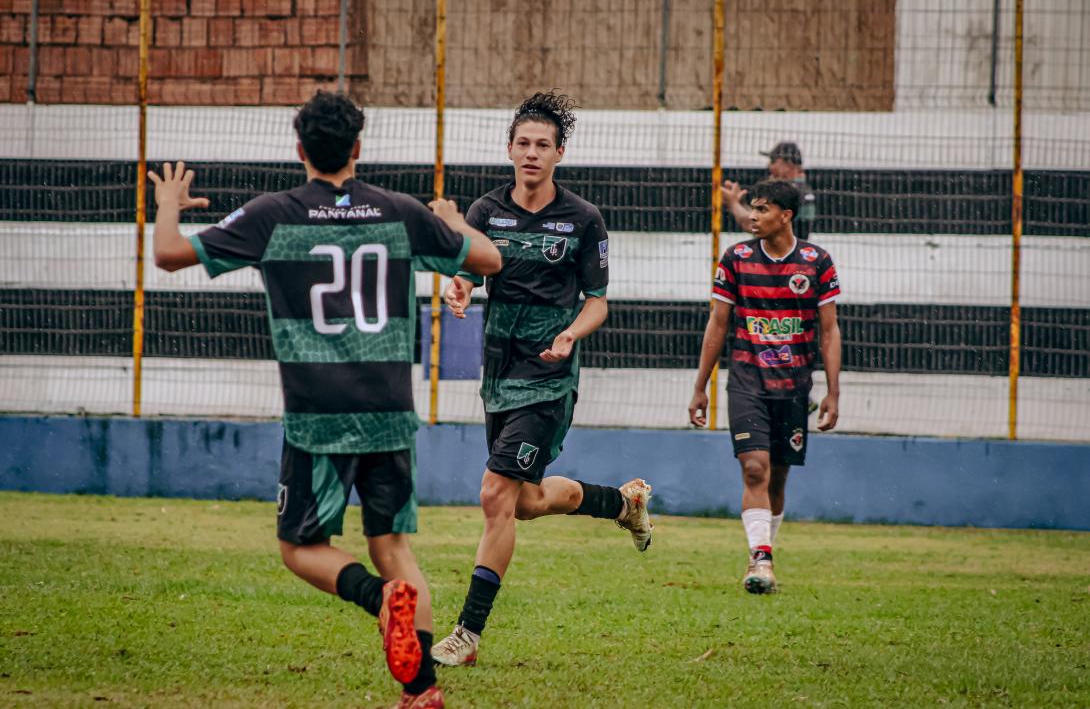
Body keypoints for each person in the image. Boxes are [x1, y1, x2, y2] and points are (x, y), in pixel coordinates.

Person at [149, 91, 501, 709]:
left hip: (318, 415)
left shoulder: (273, 214)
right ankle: (421, 692)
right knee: (392, 545)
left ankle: (376, 599)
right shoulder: (399, 211)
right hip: (389, 410)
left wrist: (168, 207)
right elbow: (489, 259)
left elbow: (168, 255)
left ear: (300, 150)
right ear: (357, 149)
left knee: (299, 546)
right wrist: (451, 219)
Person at [430, 92, 654, 667]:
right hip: (499, 373)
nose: (531, 153)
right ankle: (620, 503)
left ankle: (467, 633)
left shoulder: (583, 219)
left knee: (495, 494)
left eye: (542, 145)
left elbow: (598, 301)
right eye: (523, 143)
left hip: (549, 377)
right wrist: (457, 289)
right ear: (510, 149)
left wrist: (571, 334)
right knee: (525, 502)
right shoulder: (484, 212)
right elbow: (466, 276)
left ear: (559, 153)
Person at [687, 179, 841, 595]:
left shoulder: (816, 262)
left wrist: (832, 391)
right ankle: (762, 559)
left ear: (785, 216)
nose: (752, 217)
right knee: (755, 467)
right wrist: (701, 386)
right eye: (750, 209)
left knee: (778, 478)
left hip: (793, 387)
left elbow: (829, 331)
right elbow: (718, 323)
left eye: (762, 210)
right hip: (746, 381)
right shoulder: (736, 258)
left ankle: (763, 546)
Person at [722, 141, 817, 239]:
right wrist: (740, 204)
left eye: (773, 161)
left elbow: (754, 224)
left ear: (788, 164)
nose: (769, 166)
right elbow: (762, 219)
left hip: (779, 253)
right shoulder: (800, 188)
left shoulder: (790, 191)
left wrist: (732, 203)